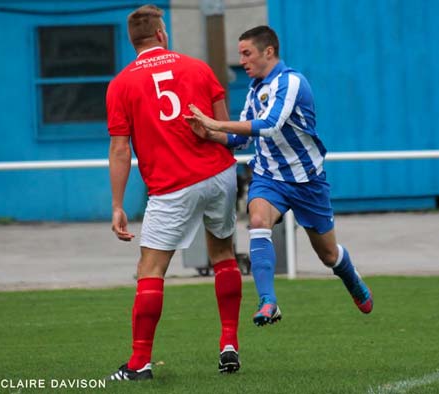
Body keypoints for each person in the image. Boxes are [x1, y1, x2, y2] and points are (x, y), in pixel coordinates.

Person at [185, 25, 373, 327]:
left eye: (247, 54)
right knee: (258, 221)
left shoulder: (291, 82)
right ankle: (268, 301)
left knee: (327, 255)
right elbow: (241, 140)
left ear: (268, 52)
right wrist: (207, 134)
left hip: (307, 180)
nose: (242, 61)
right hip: (269, 176)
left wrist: (216, 124)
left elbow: (269, 125)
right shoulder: (254, 90)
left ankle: (350, 277)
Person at [105, 4, 242, 380]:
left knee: (150, 269)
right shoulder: (198, 68)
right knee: (223, 253)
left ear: (133, 41)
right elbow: (223, 127)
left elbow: (121, 149)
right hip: (218, 174)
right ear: (162, 35)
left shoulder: (121, 84)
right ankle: (228, 342)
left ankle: (138, 364)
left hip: (172, 186)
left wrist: (117, 205)